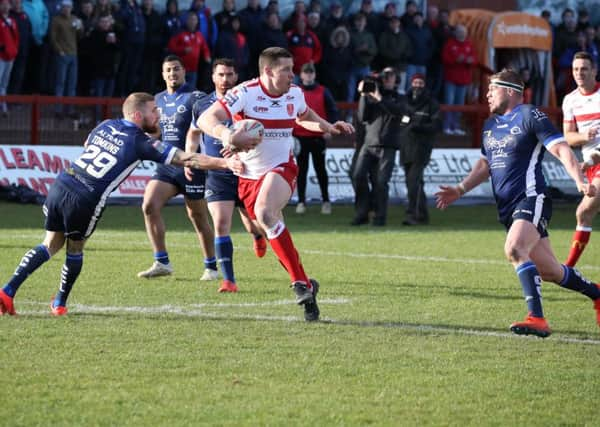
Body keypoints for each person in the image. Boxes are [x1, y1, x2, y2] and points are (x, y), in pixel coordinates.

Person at [0, 92, 243, 316]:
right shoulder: (141, 142)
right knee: (75, 249)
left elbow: (88, 145)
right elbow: (187, 158)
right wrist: (225, 164)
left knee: (49, 244)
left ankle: (8, 291)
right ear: (138, 115)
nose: (158, 115)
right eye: (153, 112)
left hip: (62, 183)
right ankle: (60, 303)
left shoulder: (106, 124)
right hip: (86, 197)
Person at [435, 69, 600, 338]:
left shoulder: (529, 115)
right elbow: (485, 164)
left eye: (492, 89)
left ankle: (537, 318)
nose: (487, 94)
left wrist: (580, 180)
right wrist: (461, 188)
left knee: (514, 248)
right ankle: (596, 293)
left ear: (510, 91)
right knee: (550, 271)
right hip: (508, 209)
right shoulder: (490, 126)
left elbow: (561, 148)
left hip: (532, 198)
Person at [195, 47, 354, 321]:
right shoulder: (245, 93)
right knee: (268, 225)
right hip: (248, 176)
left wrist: (328, 126)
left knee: (266, 213)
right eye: (287, 70)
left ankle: (299, 285)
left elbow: (305, 117)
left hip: (283, 167)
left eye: (293, 70)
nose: (293, 75)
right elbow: (205, 119)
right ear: (268, 71)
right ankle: (304, 284)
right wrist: (228, 136)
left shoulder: (294, 93)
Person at [187, 58, 267, 293]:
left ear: (236, 76)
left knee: (257, 224)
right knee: (221, 224)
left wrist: (240, 145)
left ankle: (257, 236)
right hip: (219, 173)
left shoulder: (247, 101)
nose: (225, 80)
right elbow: (193, 134)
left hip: (248, 171)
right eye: (221, 75)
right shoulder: (202, 105)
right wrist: (189, 158)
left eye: (230, 75)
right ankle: (228, 280)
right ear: (213, 77)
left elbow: (260, 135)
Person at [137, 55, 218, 281]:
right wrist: (144, 138)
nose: (172, 73)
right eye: (168, 70)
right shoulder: (158, 99)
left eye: (176, 69)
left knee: (197, 217)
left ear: (184, 72)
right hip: (168, 165)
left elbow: (209, 125)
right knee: (149, 206)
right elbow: (157, 131)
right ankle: (162, 262)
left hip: (191, 165)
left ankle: (211, 267)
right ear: (163, 74)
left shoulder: (196, 97)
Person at [351, 67, 404, 227]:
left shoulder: (399, 98)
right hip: (369, 143)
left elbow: (398, 112)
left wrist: (379, 98)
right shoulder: (371, 96)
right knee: (357, 176)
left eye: (390, 76)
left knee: (381, 182)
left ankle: (380, 217)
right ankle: (362, 212)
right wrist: (363, 95)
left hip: (387, 145)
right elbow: (362, 117)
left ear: (396, 80)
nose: (387, 79)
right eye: (384, 76)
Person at [562, 51, 600, 267]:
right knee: (586, 213)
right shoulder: (570, 100)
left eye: (584, 69)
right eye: (575, 69)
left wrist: (595, 157)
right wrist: (584, 136)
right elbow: (568, 136)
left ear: (594, 71)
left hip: (597, 162)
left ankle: (567, 270)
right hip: (591, 165)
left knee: (584, 211)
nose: (579, 73)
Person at [294, 61, 338, 215]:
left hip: (319, 137)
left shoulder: (323, 91)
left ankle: (326, 201)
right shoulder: (295, 91)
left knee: (321, 170)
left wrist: (330, 129)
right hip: (300, 136)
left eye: (311, 72)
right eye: (306, 72)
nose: (308, 75)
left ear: (314, 74)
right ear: (301, 75)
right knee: (302, 171)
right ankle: (301, 201)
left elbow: (333, 110)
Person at [400, 73, 441, 225]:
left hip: (422, 148)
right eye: (415, 82)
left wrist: (418, 127)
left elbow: (437, 125)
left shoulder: (431, 103)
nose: (417, 85)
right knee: (415, 182)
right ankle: (422, 215)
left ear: (424, 85)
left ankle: (412, 215)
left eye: (420, 83)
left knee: (413, 182)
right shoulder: (404, 101)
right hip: (405, 147)